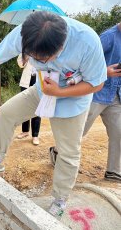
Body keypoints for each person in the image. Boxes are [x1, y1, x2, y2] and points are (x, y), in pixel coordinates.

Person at [0, 11, 106, 219]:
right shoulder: (26, 34)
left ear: (60, 47)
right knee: (6, 113)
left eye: (43, 59)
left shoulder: (87, 41)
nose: (37, 61)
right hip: (42, 91)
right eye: (33, 57)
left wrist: (59, 92)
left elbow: (97, 83)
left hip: (72, 99)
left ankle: (59, 200)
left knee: (68, 152)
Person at [50, 23, 121, 182]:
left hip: (116, 95)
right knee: (78, 131)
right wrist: (106, 71)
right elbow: (85, 61)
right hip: (96, 92)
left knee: (119, 131)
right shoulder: (108, 37)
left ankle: (114, 171)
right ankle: (57, 151)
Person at [16, 54, 41, 145]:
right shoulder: (26, 49)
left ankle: (35, 135)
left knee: (37, 108)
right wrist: (26, 56)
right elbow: (20, 64)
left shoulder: (44, 48)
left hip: (39, 81)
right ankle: (25, 131)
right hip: (26, 81)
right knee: (24, 107)